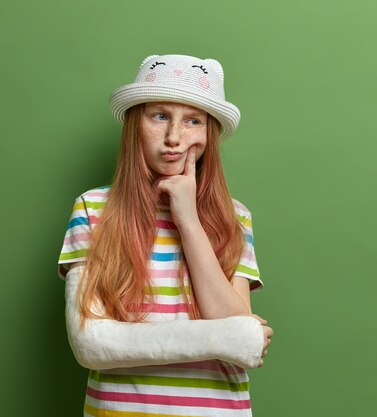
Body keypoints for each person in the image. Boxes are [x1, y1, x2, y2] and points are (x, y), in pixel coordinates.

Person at [58, 53, 273, 417]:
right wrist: (230, 337)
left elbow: (234, 328)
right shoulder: (92, 211)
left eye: (193, 121)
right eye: (160, 116)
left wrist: (188, 219)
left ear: (210, 135)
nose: (174, 137)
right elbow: (89, 344)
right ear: (135, 124)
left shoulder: (234, 218)